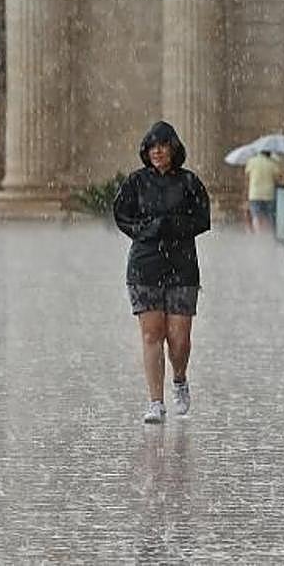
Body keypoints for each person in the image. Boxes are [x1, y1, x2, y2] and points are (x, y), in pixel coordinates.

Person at [113, 121, 211, 424]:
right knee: (151, 334)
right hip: (145, 265)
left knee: (179, 338)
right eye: (152, 146)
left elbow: (203, 219)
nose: (157, 151)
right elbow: (121, 215)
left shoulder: (190, 182)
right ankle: (155, 401)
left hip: (181, 264)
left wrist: (175, 225)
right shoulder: (136, 183)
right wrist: (145, 229)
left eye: (163, 145)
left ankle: (179, 378)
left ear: (173, 149)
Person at [244, 150, 283, 233]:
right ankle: (269, 234)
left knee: (256, 216)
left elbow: (247, 175)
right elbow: (278, 178)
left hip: (254, 194)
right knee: (269, 216)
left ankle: (259, 234)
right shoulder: (272, 163)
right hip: (269, 194)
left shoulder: (252, 161)